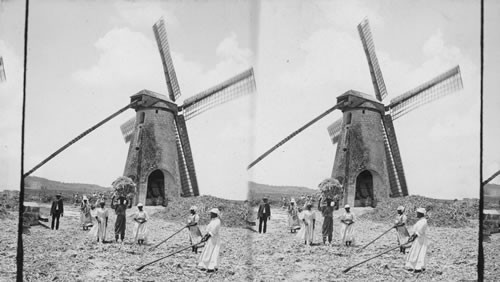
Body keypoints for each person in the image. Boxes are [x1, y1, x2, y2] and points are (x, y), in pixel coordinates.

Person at [405, 208, 429, 273]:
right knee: (414, 251)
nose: (416, 214)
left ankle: (418, 267)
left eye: (417, 213)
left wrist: (413, 237)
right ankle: (412, 266)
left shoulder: (424, 221)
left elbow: (419, 231)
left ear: (421, 214)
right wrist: (412, 236)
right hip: (417, 238)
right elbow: (416, 231)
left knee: (419, 252)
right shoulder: (420, 221)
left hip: (420, 239)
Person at [199, 208, 222, 273]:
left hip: (214, 239)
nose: (210, 215)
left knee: (212, 252)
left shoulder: (217, 221)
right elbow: (208, 230)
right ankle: (205, 266)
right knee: (207, 251)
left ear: (215, 214)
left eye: (211, 213)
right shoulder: (212, 221)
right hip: (210, 238)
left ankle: (211, 267)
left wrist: (207, 237)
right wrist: (205, 237)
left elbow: (213, 231)